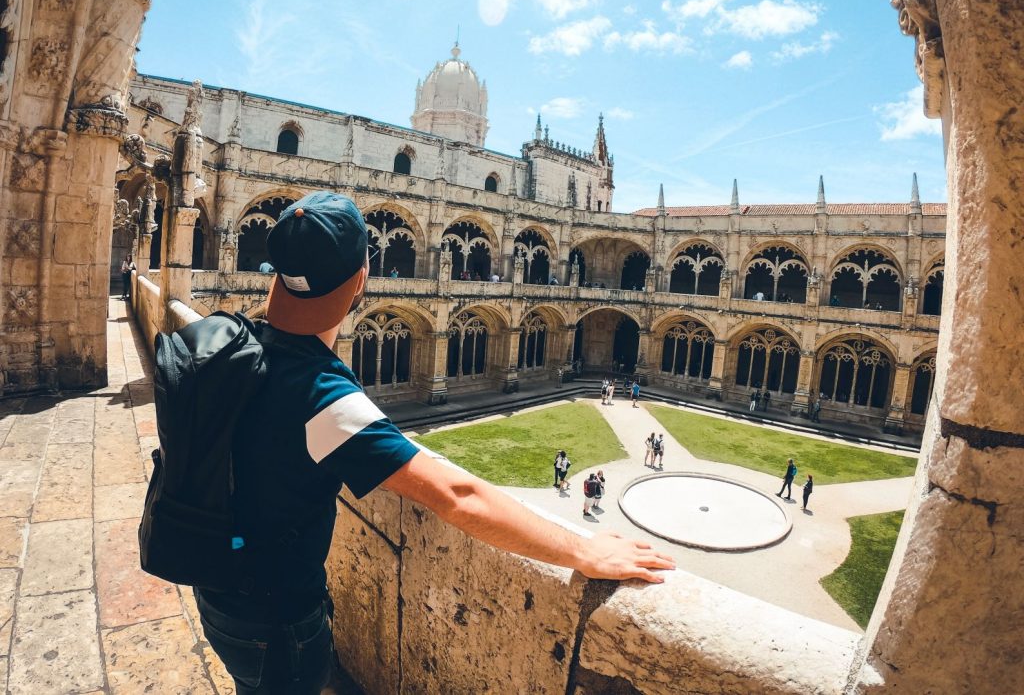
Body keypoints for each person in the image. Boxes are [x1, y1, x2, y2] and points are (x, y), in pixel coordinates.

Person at [191, 192, 673, 694]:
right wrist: (583, 551)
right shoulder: (323, 400)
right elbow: (459, 497)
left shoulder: (226, 342)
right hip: (276, 623)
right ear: (361, 281)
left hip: (215, 591)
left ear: (275, 271)